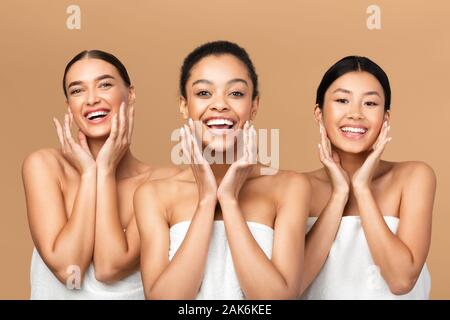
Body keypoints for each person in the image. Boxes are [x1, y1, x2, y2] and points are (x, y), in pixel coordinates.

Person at [134, 41, 310, 299]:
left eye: (236, 93)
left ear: (254, 105)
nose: (220, 105)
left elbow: (276, 300)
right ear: (184, 105)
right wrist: (207, 200)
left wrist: (228, 200)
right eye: (204, 93)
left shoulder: (289, 187)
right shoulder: (153, 194)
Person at [23, 50, 179, 299]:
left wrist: (104, 171)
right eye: (77, 90)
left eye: (105, 84)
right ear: (69, 106)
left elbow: (112, 268)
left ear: (131, 93)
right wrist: (88, 175)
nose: (91, 99)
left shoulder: (165, 181)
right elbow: (67, 267)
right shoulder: (45, 166)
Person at [299, 56, 436, 299]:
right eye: (342, 100)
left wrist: (362, 189)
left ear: (386, 117)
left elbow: (401, 280)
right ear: (318, 114)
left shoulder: (414, 177)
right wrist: (339, 195)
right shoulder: (297, 188)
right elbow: (293, 287)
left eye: (370, 103)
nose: (355, 114)